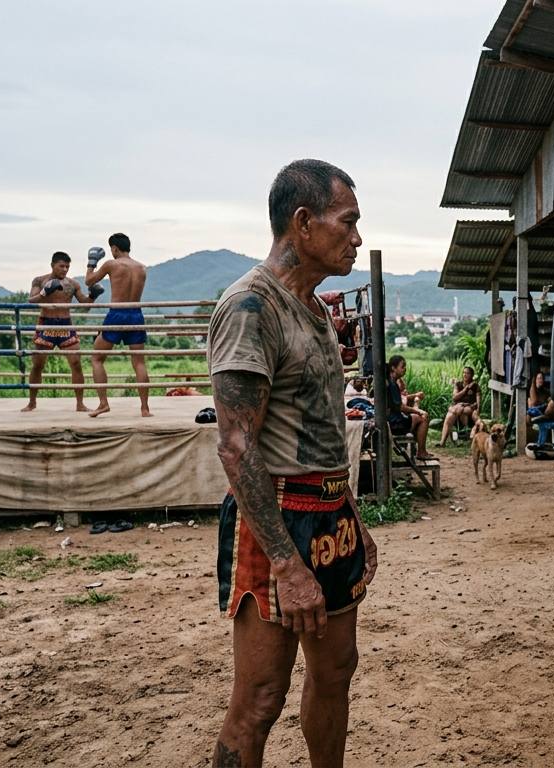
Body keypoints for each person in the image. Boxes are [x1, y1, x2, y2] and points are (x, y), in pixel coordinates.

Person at [207, 159, 376, 768]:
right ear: (303, 224)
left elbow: (324, 430)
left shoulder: (315, 310)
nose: (356, 236)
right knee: (259, 699)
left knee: (336, 672)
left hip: (329, 513)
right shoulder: (251, 307)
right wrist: (285, 561)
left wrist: (351, 514)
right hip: (275, 521)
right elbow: (237, 446)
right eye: (348, 221)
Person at [22, 251, 102, 412]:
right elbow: (31, 300)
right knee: (38, 365)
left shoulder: (72, 284)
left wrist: (93, 296)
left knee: (76, 363)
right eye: (61, 266)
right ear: (52, 265)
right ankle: (32, 402)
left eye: (67, 267)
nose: (65, 269)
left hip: (66, 325)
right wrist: (45, 292)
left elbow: (85, 304)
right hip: (46, 324)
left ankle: (80, 404)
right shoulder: (39, 280)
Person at [85, 233, 151, 418]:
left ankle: (103, 404)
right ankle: (145, 408)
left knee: (97, 358)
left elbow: (89, 281)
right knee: (138, 362)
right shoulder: (142, 268)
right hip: (136, 314)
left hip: (116, 313)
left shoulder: (112, 264)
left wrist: (91, 263)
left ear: (114, 248)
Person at [385, 355, 435, 460]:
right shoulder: (392, 384)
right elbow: (400, 407)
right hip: (395, 423)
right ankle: (421, 452)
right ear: (393, 368)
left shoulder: (390, 381)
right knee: (423, 418)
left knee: (416, 417)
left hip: (390, 421)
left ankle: (415, 451)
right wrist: (418, 411)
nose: (405, 369)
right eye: (402, 367)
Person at [439, 366, 480, 447]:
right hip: (457, 407)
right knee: (449, 416)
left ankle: (463, 436)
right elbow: (455, 397)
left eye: (467, 373)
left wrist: (477, 409)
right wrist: (465, 389)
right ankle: (442, 442)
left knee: (463, 410)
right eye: (464, 372)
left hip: (469, 407)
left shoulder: (475, 386)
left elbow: (478, 400)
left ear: (471, 375)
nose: (465, 375)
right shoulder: (458, 384)